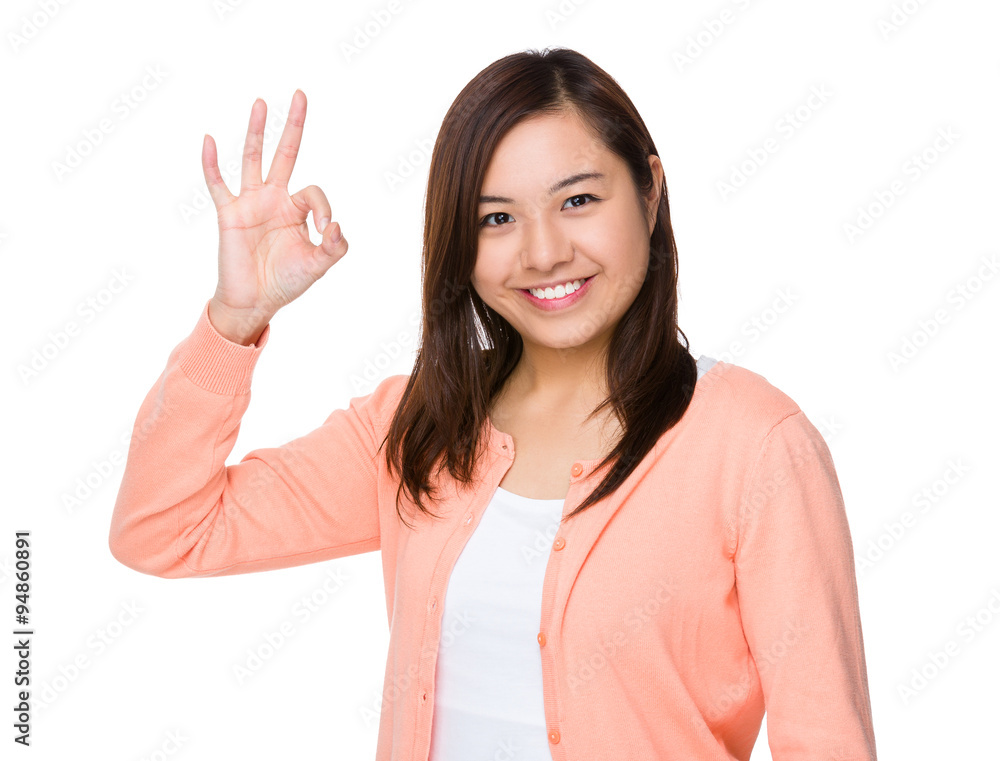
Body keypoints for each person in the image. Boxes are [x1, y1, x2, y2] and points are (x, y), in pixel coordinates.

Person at [109, 47, 877, 761]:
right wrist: (233, 322)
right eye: (497, 217)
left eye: (577, 199)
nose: (542, 252)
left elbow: (826, 740)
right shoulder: (420, 421)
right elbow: (163, 530)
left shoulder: (754, 443)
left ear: (649, 192)